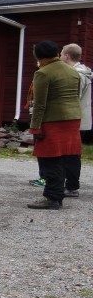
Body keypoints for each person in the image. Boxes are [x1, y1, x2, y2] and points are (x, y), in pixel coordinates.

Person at [26, 40, 82, 209]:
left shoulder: (43, 73)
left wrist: (35, 126)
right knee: (66, 157)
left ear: (39, 56)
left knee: (50, 159)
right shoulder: (73, 72)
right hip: (73, 118)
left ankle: (53, 197)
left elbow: (40, 104)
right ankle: (60, 191)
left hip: (53, 121)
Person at [60, 44, 92, 195]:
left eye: (61, 54)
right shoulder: (80, 73)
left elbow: (73, 98)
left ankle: (72, 186)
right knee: (70, 153)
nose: (60, 56)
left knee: (72, 153)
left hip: (74, 119)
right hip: (76, 119)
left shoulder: (77, 75)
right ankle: (68, 183)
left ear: (67, 56)